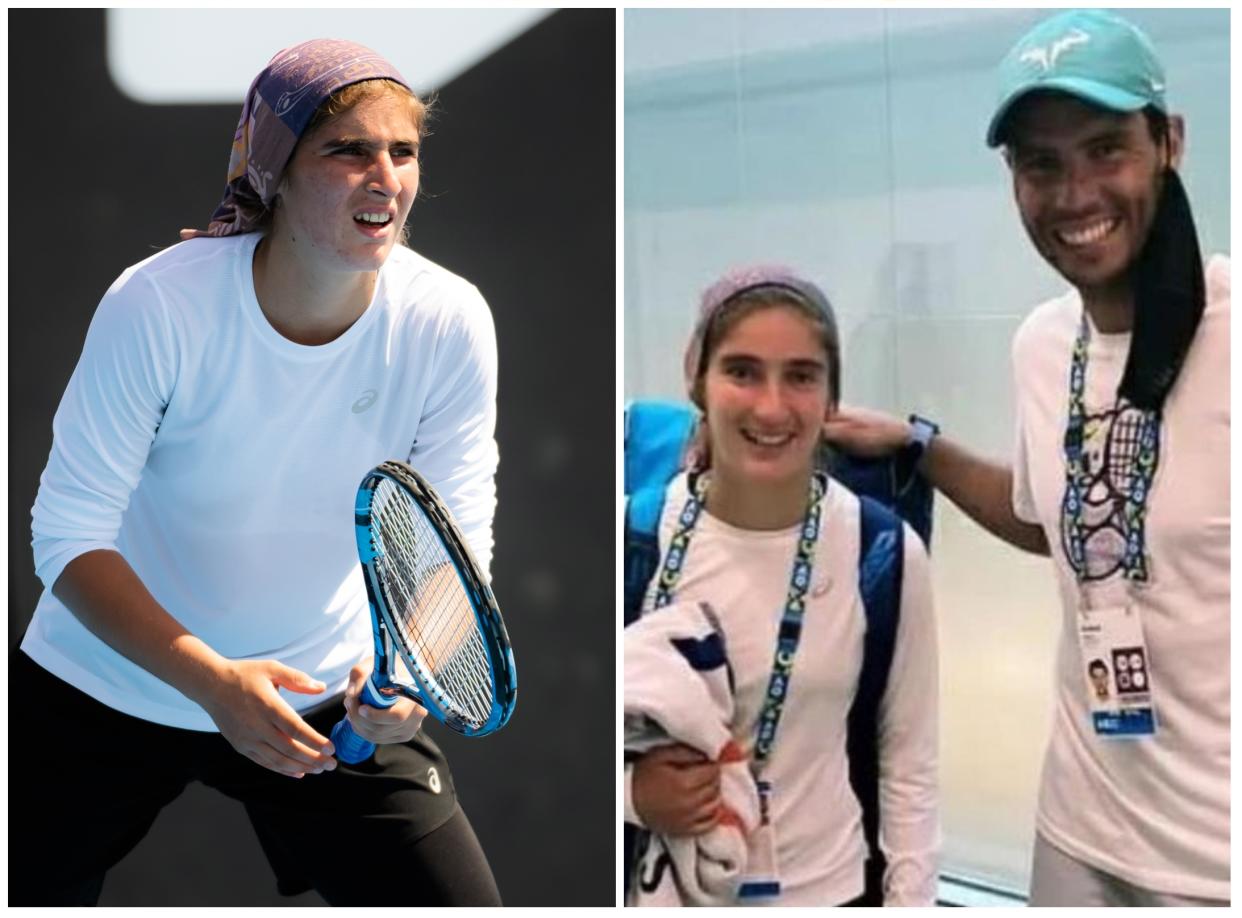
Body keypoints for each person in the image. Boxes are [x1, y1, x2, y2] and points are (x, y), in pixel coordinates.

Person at [12, 39, 503, 906]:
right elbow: (66, 536)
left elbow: (453, 538)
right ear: (275, 169)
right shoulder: (158, 305)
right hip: (104, 679)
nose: (384, 176)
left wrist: (414, 677)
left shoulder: (449, 320)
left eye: (404, 150)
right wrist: (213, 683)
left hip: (325, 690)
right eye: (348, 150)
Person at [824, 10, 1228, 907]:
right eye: (1041, 164)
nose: (1075, 193)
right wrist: (918, 446)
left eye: (1104, 149)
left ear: (1171, 143)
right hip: (1078, 832)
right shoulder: (1045, 344)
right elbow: (1057, 520)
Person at [624, 267, 939, 906]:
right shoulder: (633, 537)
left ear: (830, 399)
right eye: (742, 371)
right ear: (698, 382)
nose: (771, 407)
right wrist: (632, 796)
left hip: (830, 890)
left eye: (800, 376)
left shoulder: (881, 553)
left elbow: (909, 767)